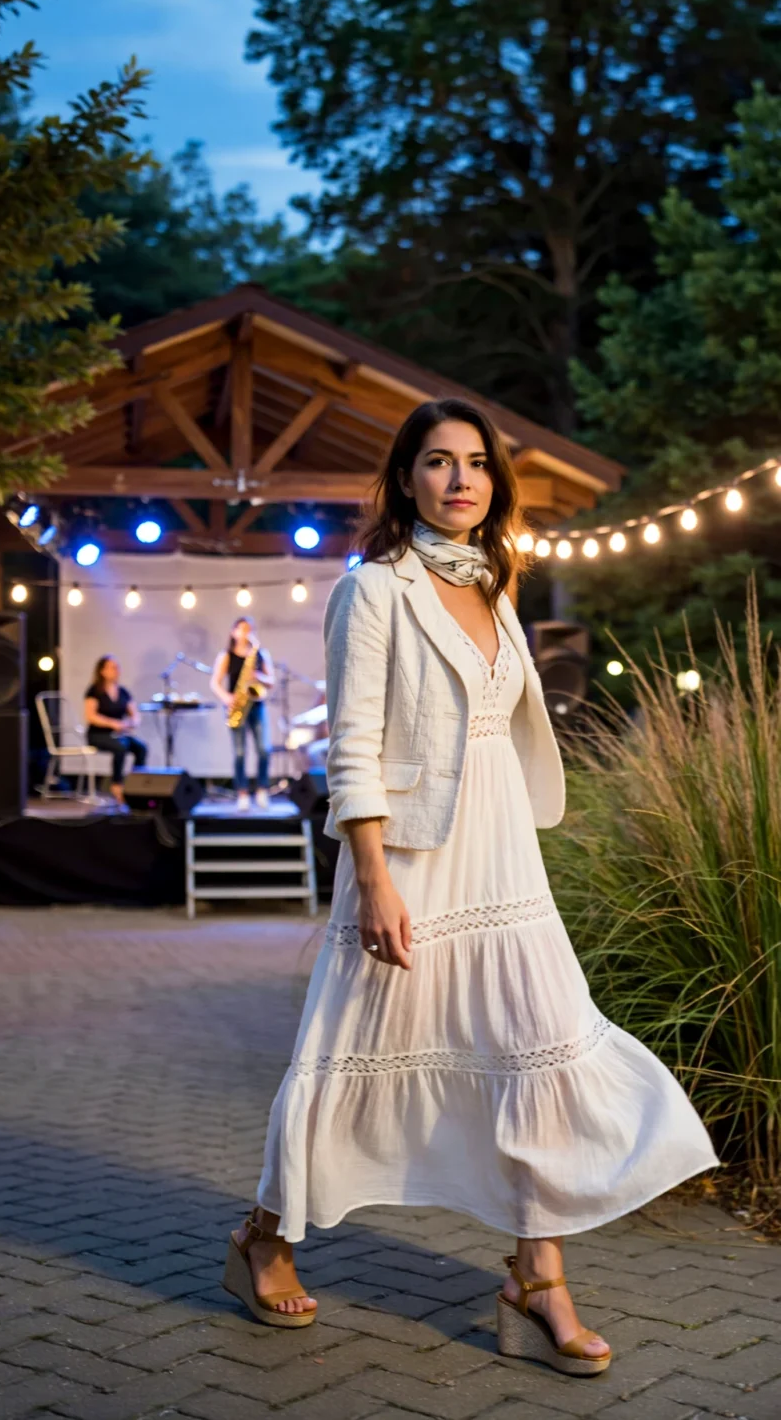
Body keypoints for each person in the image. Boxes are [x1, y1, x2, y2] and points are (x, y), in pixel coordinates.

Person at [222, 398, 718, 1372]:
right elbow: (353, 745)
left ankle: (537, 1279)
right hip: (406, 857)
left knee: (535, 1043)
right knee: (355, 1046)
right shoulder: (374, 590)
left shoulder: (494, 585)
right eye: (439, 463)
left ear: (495, 482)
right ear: (404, 478)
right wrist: (371, 879)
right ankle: (262, 1238)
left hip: (502, 853)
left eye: (476, 464)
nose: (460, 480)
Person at [210, 617, 275, 812]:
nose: (246, 632)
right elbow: (215, 682)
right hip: (236, 706)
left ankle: (262, 789)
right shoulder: (226, 656)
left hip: (256, 705)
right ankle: (242, 793)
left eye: (249, 629)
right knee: (239, 753)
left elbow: (271, 680)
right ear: (233, 632)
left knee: (264, 749)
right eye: (242, 628)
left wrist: (259, 677)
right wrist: (227, 698)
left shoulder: (260, 654)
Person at [83, 656, 147, 809]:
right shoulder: (94, 691)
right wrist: (113, 723)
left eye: (117, 667)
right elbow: (91, 716)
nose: (116, 671)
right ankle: (116, 787)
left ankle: (136, 785)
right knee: (120, 747)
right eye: (112, 667)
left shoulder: (123, 692)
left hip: (120, 734)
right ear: (102, 671)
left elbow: (135, 715)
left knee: (141, 748)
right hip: (98, 734)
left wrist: (131, 723)